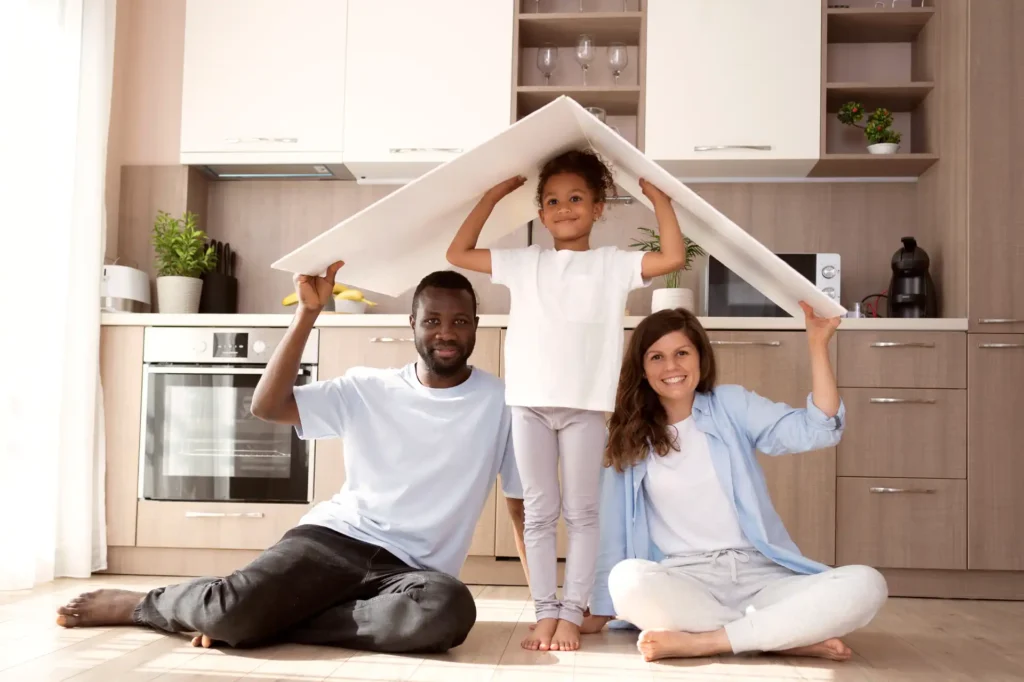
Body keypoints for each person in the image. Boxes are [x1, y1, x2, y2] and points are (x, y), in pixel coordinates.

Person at [56, 266, 527, 654]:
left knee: (449, 613)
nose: (446, 333)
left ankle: (270, 622)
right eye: (433, 320)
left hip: (413, 573)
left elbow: (521, 504)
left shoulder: (502, 401)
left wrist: (547, 606)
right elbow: (267, 406)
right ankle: (145, 604)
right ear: (413, 325)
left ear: (475, 326)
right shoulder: (368, 387)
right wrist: (307, 313)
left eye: (460, 321)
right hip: (333, 540)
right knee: (228, 610)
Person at [446, 149, 687, 652]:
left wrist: (660, 199)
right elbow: (459, 253)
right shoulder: (524, 261)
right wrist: (492, 197)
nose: (563, 207)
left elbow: (672, 258)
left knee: (581, 513)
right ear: (540, 212)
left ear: (599, 207)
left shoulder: (612, 264)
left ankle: (572, 614)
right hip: (529, 402)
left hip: (584, 405)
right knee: (537, 512)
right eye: (552, 200)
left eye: (576, 198)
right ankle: (543, 611)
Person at [581, 304, 887, 662]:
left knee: (867, 584)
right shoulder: (626, 435)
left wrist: (818, 344)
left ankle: (710, 641)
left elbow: (816, 429)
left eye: (682, 353)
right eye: (657, 357)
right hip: (685, 580)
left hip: (761, 575)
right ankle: (781, 635)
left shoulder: (730, 405)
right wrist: (602, 607)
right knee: (627, 580)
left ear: (700, 357)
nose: (672, 367)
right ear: (642, 369)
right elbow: (612, 529)